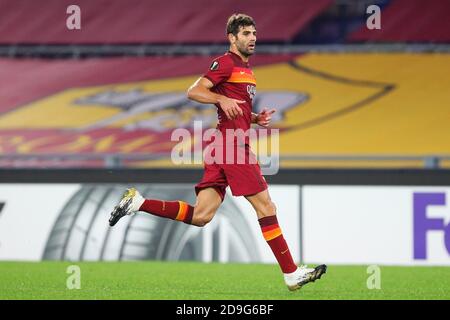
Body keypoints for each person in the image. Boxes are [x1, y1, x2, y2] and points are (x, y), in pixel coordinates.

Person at [109, 13, 326, 291]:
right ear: (232, 38)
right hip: (231, 146)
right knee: (266, 206)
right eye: (246, 34)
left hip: (223, 144)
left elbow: (235, 111)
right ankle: (291, 273)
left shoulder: (246, 71)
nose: (253, 38)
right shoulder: (225, 63)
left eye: (254, 34)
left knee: (202, 216)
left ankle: (138, 203)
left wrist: (255, 117)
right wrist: (221, 98)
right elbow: (194, 91)